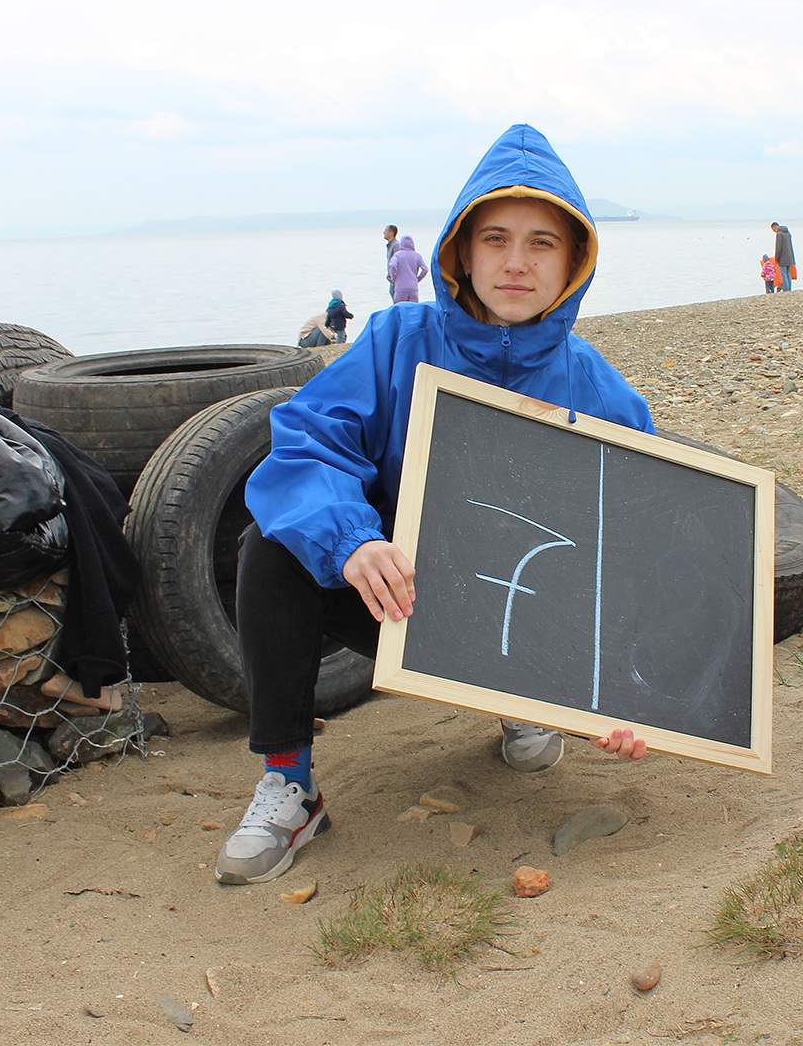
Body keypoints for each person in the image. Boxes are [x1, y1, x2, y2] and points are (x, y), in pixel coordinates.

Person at [216, 124, 656, 886]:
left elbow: (640, 546)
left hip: (532, 622)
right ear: (460, 249)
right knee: (272, 551)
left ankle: (531, 705)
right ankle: (291, 783)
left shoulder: (602, 392)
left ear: (575, 258)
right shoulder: (394, 341)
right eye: (495, 238)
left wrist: (623, 688)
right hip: (403, 599)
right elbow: (306, 445)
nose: (516, 263)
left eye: (542, 243)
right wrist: (352, 540)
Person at [387, 233, 428, 303]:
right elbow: (425, 269)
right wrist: (417, 279)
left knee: (400, 310)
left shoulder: (397, 255)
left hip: (400, 288)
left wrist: (393, 278)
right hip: (413, 288)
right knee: (413, 310)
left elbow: (392, 265)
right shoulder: (417, 256)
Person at [769, 221, 796, 291]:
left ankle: (786, 289)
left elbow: (778, 248)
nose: (774, 231)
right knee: (788, 273)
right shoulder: (788, 232)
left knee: (783, 273)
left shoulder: (779, 234)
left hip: (783, 258)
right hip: (790, 257)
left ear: (775, 227)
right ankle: (789, 289)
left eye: (773, 229)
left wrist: (776, 258)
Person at [382, 225, 400, 296]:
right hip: (393, 281)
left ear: (391, 233)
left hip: (396, 282)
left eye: (385, 231)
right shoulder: (391, 245)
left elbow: (397, 264)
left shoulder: (396, 246)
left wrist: (393, 278)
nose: (383, 232)